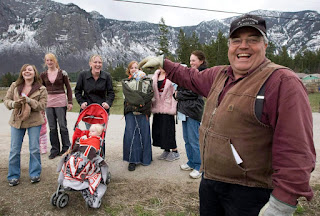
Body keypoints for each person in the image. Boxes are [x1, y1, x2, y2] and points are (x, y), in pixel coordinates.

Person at [139, 14, 316, 216]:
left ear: (265, 45)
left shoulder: (282, 82)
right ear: (229, 46)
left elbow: (297, 149)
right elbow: (191, 77)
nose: (243, 46)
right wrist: (165, 64)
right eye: (237, 40)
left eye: (252, 39)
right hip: (211, 183)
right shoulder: (219, 75)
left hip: (250, 192)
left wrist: (282, 203)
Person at [4, 64, 47, 186]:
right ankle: (13, 175)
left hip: (34, 121)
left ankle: (35, 174)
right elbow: (6, 100)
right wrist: (13, 104)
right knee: (14, 149)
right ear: (21, 73)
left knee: (34, 149)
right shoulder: (15, 85)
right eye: (25, 70)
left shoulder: (41, 89)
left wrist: (29, 101)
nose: (27, 72)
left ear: (35, 73)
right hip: (17, 120)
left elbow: (42, 105)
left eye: (30, 70)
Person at [58, 124, 108, 208]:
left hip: (86, 157)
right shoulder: (87, 138)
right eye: (90, 131)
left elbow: (92, 149)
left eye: (93, 131)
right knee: (69, 161)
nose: (90, 132)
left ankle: (75, 177)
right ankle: (70, 176)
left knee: (77, 163)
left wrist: (82, 141)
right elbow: (78, 145)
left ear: (99, 133)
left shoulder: (96, 140)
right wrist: (80, 140)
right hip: (78, 156)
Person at [174, 50, 206, 179]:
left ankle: (199, 166)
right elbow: (178, 89)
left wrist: (178, 95)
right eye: (190, 60)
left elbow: (194, 92)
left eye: (194, 60)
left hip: (193, 111)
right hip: (184, 110)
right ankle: (191, 162)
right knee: (187, 139)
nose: (191, 62)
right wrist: (177, 94)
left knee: (194, 140)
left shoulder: (201, 74)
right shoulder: (189, 74)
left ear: (201, 61)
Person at [40, 53, 73, 159]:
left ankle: (66, 148)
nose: (49, 62)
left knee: (62, 125)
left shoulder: (62, 73)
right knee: (52, 127)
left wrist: (70, 102)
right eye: (47, 60)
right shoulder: (43, 75)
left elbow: (68, 88)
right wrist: (41, 104)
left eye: (51, 60)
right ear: (45, 62)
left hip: (60, 102)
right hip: (49, 103)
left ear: (55, 61)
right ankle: (55, 149)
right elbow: (41, 90)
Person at [122, 61, 153, 171]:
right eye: (132, 68)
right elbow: (129, 96)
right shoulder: (125, 82)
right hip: (130, 111)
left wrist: (142, 105)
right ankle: (132, 160)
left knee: (144, 134)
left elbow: (149, 95)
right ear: (129, 70)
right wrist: (139, 102)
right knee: (132, 135)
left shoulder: (148, 81)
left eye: (136, 67)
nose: (134, 69)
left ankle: (146, 158)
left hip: (143, 111)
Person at [151, 67, 179, 161]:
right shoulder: (155, 76)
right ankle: (166, 150)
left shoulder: (172, 75)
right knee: (159, 129)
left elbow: (176, 90)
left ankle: (175, 151)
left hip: (168, 106)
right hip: (157, 106)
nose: (162, 67)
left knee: (168, 129)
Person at [75, 55, 115, 119]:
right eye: (95, 62)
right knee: (90, 129)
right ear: (90, 64)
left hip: (102, 110)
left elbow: (111, 93)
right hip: (87, 109)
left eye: (100, 62)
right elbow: (78, 91)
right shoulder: (83, 75)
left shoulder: (107, 76)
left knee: (100, 129)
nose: (98, 64)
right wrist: (81, 102)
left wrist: (108, 103)